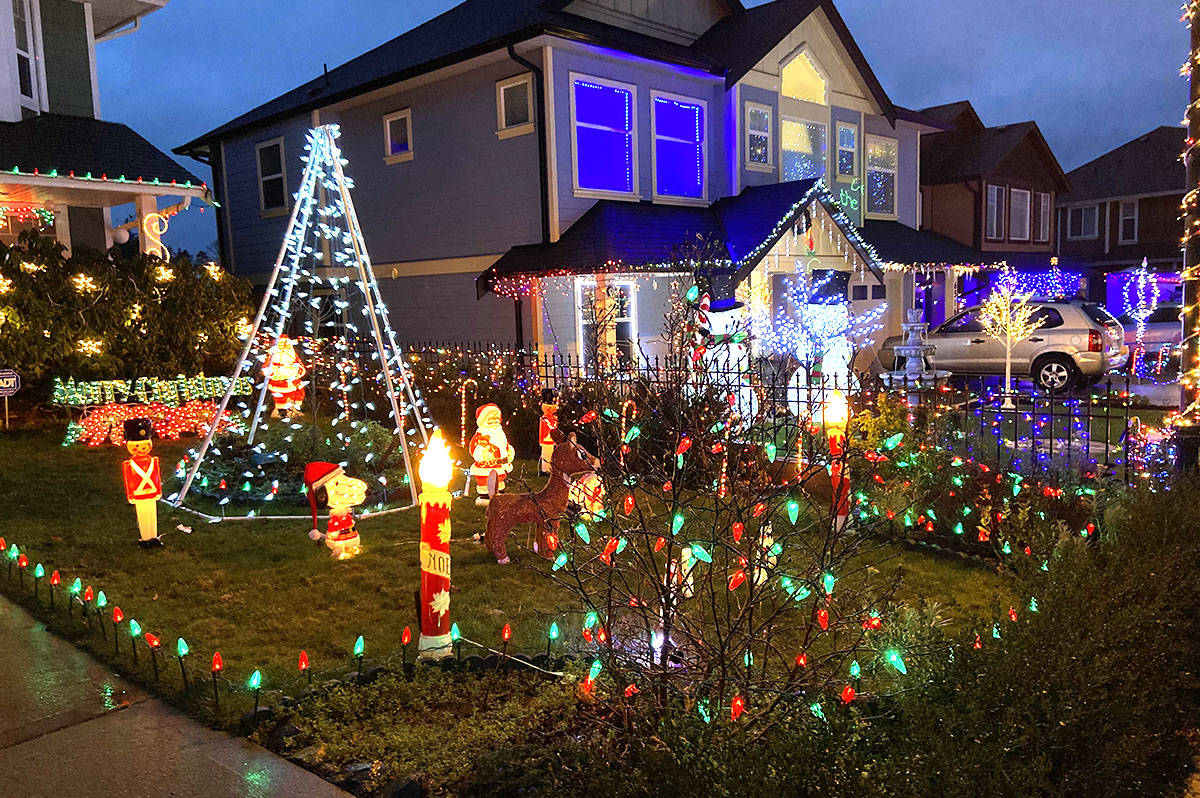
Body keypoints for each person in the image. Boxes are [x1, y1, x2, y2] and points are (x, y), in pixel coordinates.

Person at [305, 462, 368, 559]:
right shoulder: (334, 494)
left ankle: (351, 546)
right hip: (337, 536)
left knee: (349, 528)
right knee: (336, 533)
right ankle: (339, 549)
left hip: (349, 530)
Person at [121, 418, 163, 548]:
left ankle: (153, 536)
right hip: (139, 494)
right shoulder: (130, 464)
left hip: (151, 493)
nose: (142, 449)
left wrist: (158, 491)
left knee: (152, 515)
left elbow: (156, 476)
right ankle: (145, 538)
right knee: (143, 516)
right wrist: (131, 495)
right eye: (137, 446)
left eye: (145, 445)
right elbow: (129, 479)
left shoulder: (153, 461)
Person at [469, 403, 514, 504]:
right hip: (486, 466)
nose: (494, 420)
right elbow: (474, 447)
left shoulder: (499, 432)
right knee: (485, 480)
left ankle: (500, 493)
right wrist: (482, 453)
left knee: (499, 479)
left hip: (500, 464)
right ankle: (484, 496)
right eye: (491, 418)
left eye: (497, 418)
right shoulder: (481, 435)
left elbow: (504, 444)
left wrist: (509, 451)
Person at [538, 389, 558, 476]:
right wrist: (541, 440)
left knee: (551, 455)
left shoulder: (554, 419)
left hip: (552, 439)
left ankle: (550, 469)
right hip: (546, 439)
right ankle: (544, 469)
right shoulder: (544, 419)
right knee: (545, 455)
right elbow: (541, 430)